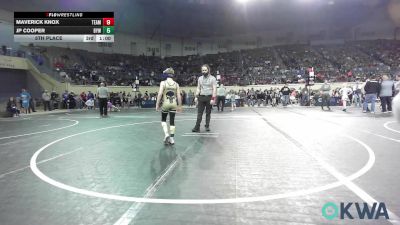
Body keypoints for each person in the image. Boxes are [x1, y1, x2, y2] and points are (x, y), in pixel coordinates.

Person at [155, 67, 182, 145]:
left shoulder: (163, 83)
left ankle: (166, 134)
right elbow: (179, 96)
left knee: (163, 120)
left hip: (165, 104)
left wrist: (157, 104)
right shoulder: (176, 84)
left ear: (166, 74)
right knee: (172, 121)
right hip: (174, 104)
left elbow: (160, 94)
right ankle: (172, 139)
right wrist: (179, 106)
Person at [192, 64, 217, 132]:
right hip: (201, 97)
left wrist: (213, 99)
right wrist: (196, 96)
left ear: (208, 70)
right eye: (203, 70)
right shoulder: (200, 78)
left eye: (205, 70)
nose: (204, 71)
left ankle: (207, 126)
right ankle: (197, 127)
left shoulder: (213, 78)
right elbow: (198, 88)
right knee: (199, 113)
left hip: (209, 97)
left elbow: (214, 89)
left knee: (208, 113)